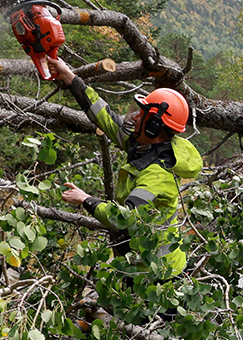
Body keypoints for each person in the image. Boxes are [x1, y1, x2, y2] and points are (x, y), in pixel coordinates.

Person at [49, 57, 202, 278]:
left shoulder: (157, 174)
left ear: (153, 127)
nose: (135, 117)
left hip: (158, 276)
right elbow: (106, 118)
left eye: (142, 114)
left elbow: (125, 219)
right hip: (136, 263)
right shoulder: (144, 145)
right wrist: (69, 76)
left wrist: (85, 199)